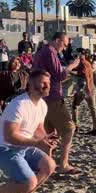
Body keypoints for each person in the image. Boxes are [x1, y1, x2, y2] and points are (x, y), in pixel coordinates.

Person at [0, 70, 58, 193]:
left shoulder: (42, 105)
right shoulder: (19, 105)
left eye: (48, 83)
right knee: (29, 182)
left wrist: (46, 139)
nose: (47, 86)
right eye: (43, 83)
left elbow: (38, 128)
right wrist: (37, 143)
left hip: (25, 146)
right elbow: (10, 136)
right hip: (5, 150)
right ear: (30, 84)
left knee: (50, 165)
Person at [32, 32, 80, 175]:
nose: (64, 48)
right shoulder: (50, 52)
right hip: (52, 97)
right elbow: (58, 76)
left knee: (49, 133)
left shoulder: (43, 52)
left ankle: (47, 165)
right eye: (64, 44)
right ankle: (63, 164)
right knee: (68, 129)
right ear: (57, 40)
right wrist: (71, 66)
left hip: (42, 98)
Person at [71, 52, 96, 136]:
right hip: (91, 88)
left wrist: (87, 87)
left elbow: (85, 76)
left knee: (75, 106)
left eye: (78, 55)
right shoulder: (87, 63)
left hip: (83, 89)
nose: (77, 56)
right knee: (93, 108)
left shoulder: (83, 64)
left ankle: (76, 125)